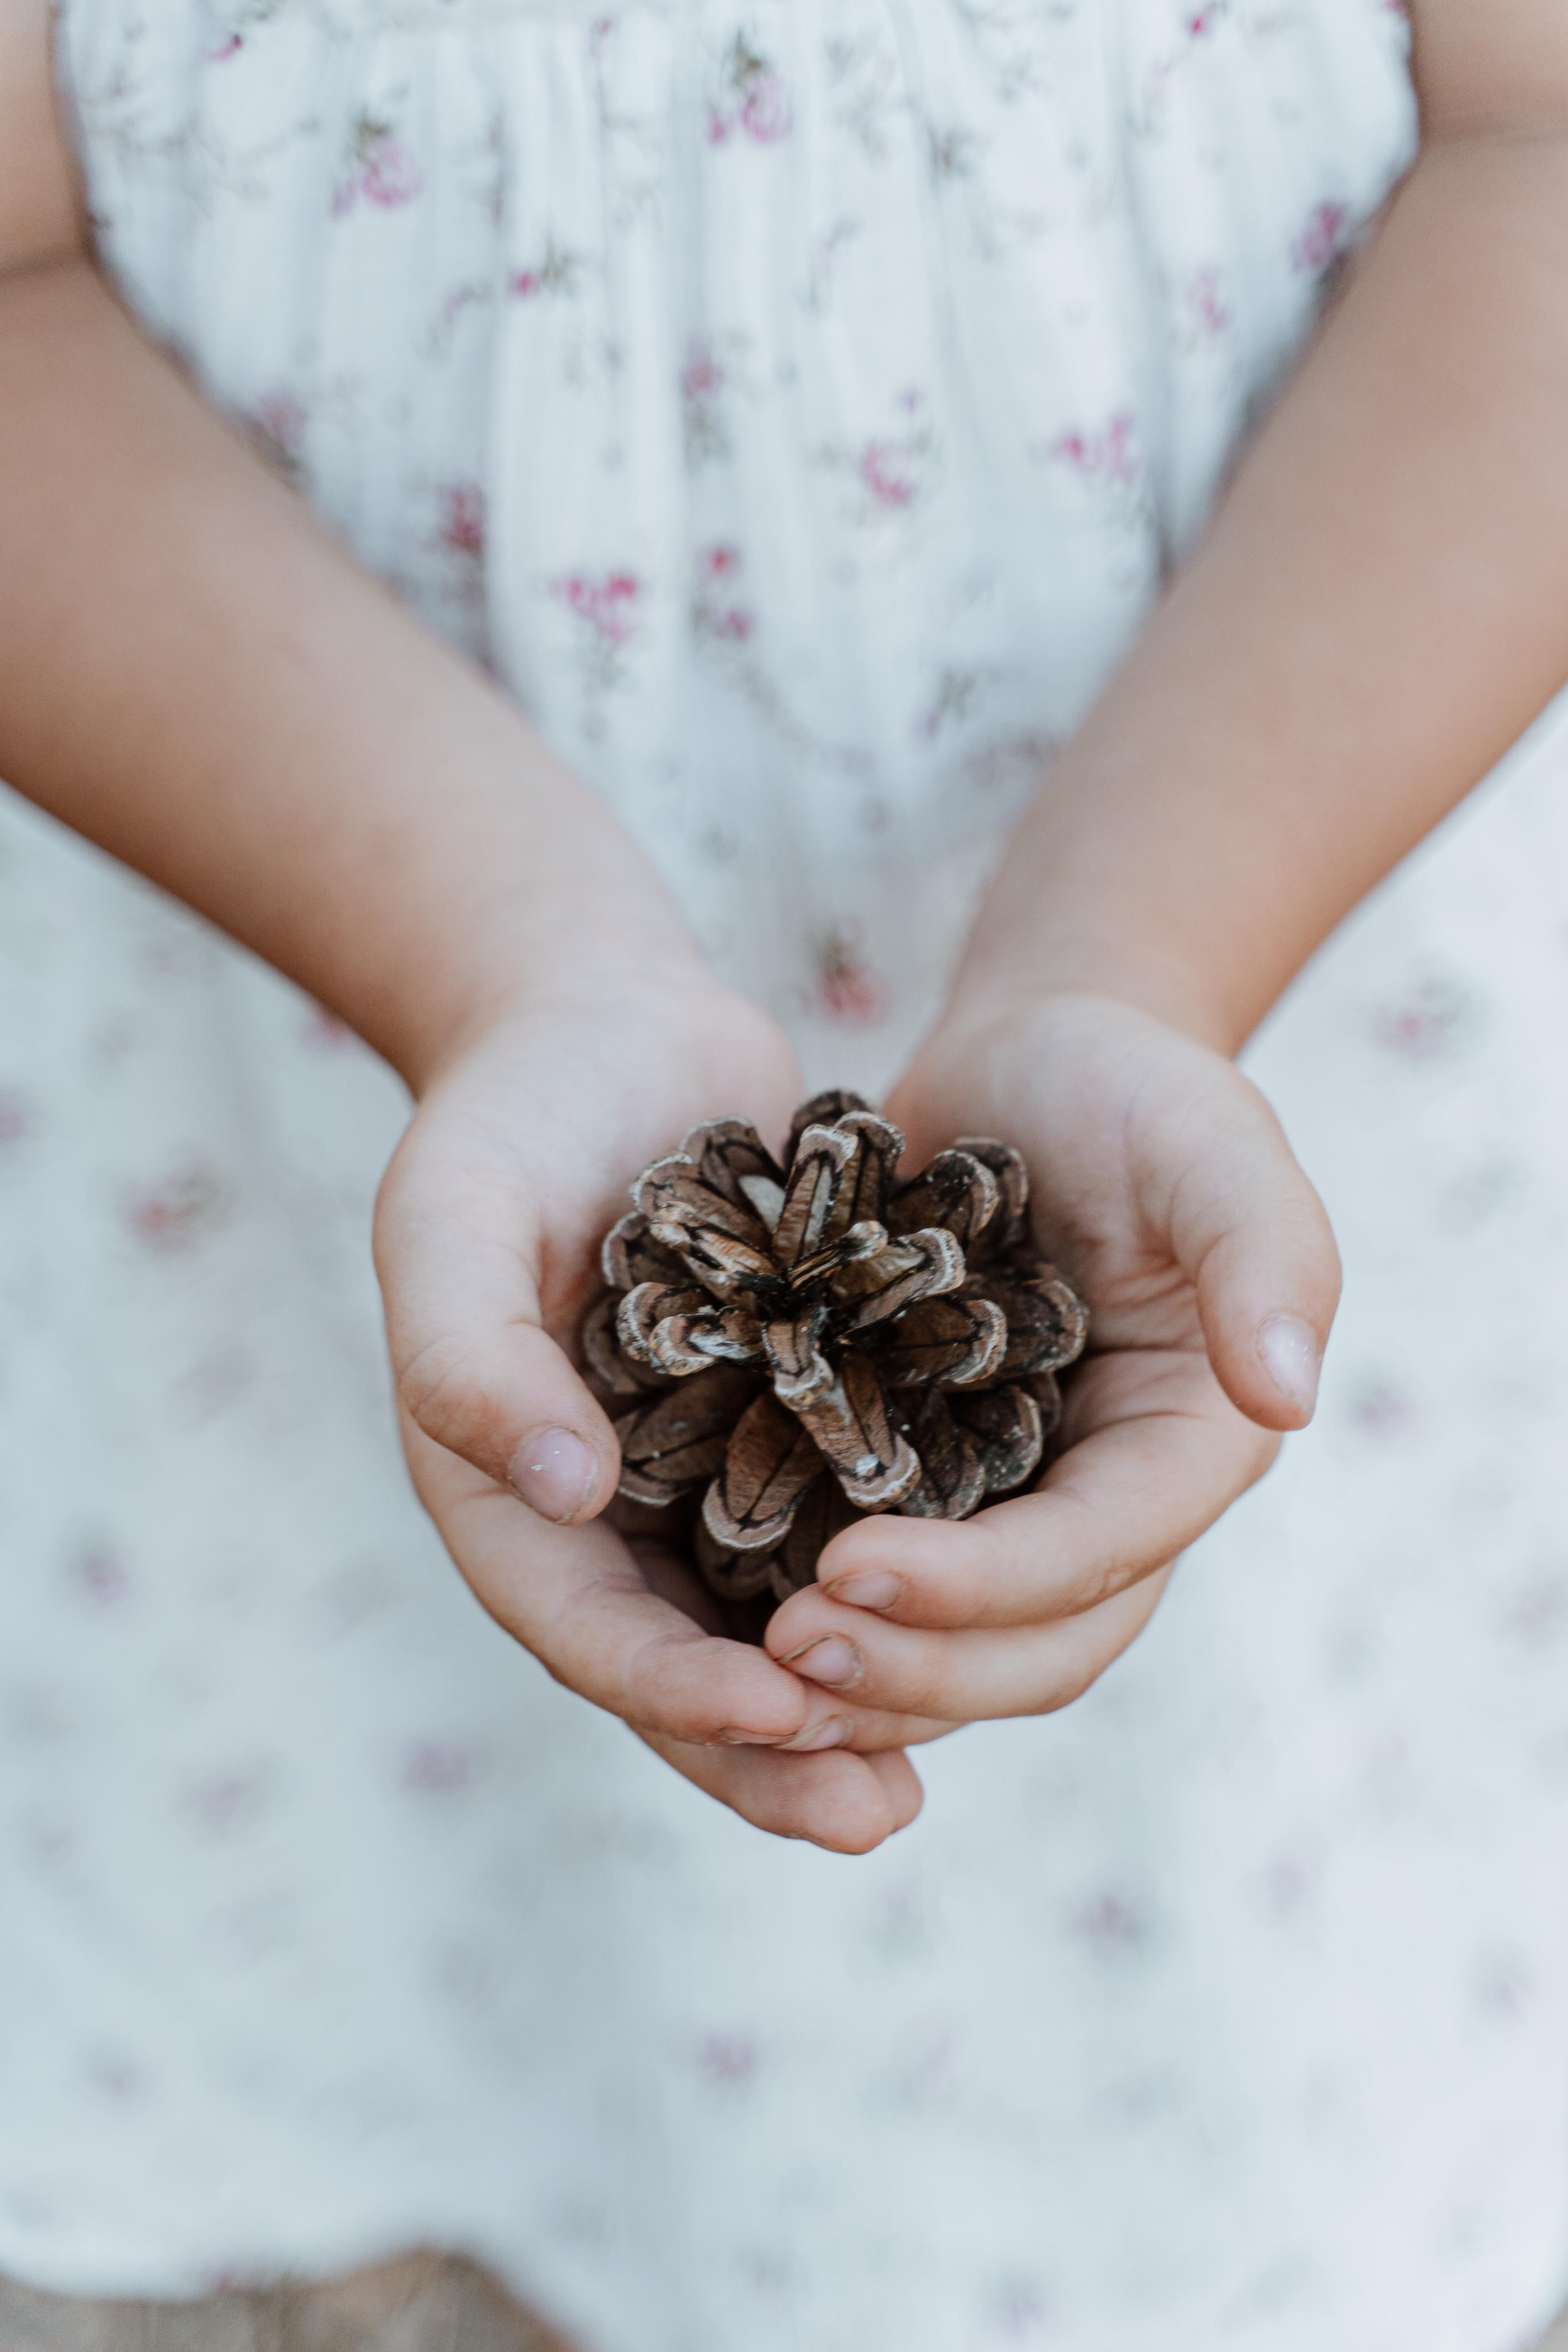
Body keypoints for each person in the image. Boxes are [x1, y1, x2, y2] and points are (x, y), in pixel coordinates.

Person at [2, 0, 1568, 2345]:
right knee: (392, 1793)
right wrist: (499, 962)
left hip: (1283, 836)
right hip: (302, 916)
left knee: (1231, 1877)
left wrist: (1137, 951)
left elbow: (1541, 148)